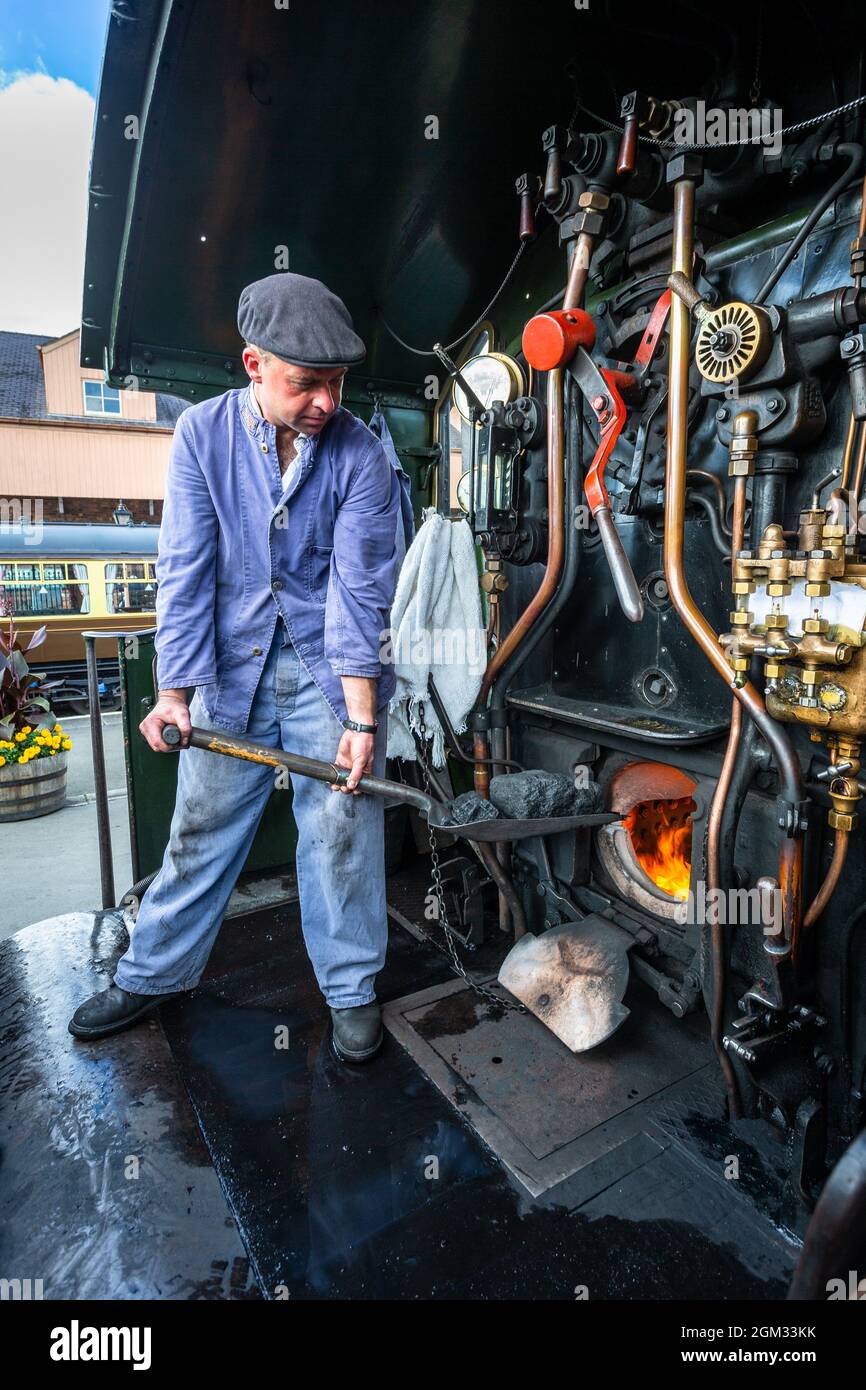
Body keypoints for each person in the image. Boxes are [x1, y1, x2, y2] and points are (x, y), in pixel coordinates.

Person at [69, 273, 402, 1062]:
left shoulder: (361, 452)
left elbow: (362, 590)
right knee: (202, 827)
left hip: (329, 672)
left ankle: (352, 990)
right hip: (230, 667)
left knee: (344, 827)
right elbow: (185, 567)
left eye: (336, 382)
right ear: (255, 366)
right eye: (304, 383)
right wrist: (174, 694)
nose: (325, 400)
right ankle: (154, 973)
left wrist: (360, 718)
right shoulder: (201, 437)